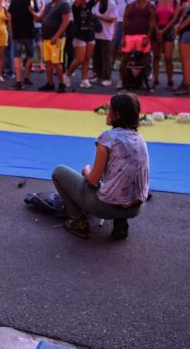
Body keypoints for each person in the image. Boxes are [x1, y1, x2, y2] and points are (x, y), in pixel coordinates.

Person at [52, 93, 149, 240]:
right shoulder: (139, 138)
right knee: (120, 181)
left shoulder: (107, 138)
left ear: (117, 115)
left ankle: (78, 221)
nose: (106, 112)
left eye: (109, 109)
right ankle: (120, 224)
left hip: (106, 207)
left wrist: (86, 171)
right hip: (135, 209)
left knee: (59, 172)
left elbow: (93, 180)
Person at [118, 0, 155, 90]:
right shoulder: (130, 6)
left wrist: (148, 37)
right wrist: (122, 37)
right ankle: (122, 81)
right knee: (124, 59)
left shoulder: (150, 6)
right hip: (130, 36)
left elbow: (152, 22)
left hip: (143, 36)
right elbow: (125, 22)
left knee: (145, 60)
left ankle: (143, 81)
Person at [63, 0, 100, 89]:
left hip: (90, 34)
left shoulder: (89, 5)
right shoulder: (75, 7)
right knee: (80, 59)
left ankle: (84, 80)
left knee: (87, 58)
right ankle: (67, 75)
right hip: (79, 35)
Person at [35, 0, 70, 91]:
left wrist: (57, 35)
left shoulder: (64, 4)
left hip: (57, 39)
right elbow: (40, 19)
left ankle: (62, 84)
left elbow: (65, 21)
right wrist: (33, 12)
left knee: (56, 62)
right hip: (46, 38)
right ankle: (50, 83)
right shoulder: (49, 5)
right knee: (48, 62)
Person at [151, 0, 180, 89]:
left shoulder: (175, 2)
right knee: (156, 56)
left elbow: (174, 18)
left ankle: (170, 80)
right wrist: (157, 30)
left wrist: (164, 30)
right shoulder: (155, 2)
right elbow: (153, 18)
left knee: (168, 57)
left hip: (168, 29)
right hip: (157, 29)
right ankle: (155, 80)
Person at [9, 0, 36, 89]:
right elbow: (35, 16)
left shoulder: (13, 2)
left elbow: (10, 19)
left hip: (17, 33)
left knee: (17, 57)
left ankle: (18, 80)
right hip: (29, 33)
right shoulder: (31, 2)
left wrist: (11, 32)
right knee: (30, 56)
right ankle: (26, 77)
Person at [92, 0, 117, 87]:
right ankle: (98, 75)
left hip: (107, 34)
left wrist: (98, 16)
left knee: (106, 57)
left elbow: (112, 19)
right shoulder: (96, 4)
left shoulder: (112, 3)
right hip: (96, 34)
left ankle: (107, 77)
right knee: (97, 56)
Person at [111, 0, 134, 69]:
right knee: (116, 42)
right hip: (119, 20)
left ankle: (127, 62)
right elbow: (114, 4)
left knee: (129, 42)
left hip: (130, 20)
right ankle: (112, 61)